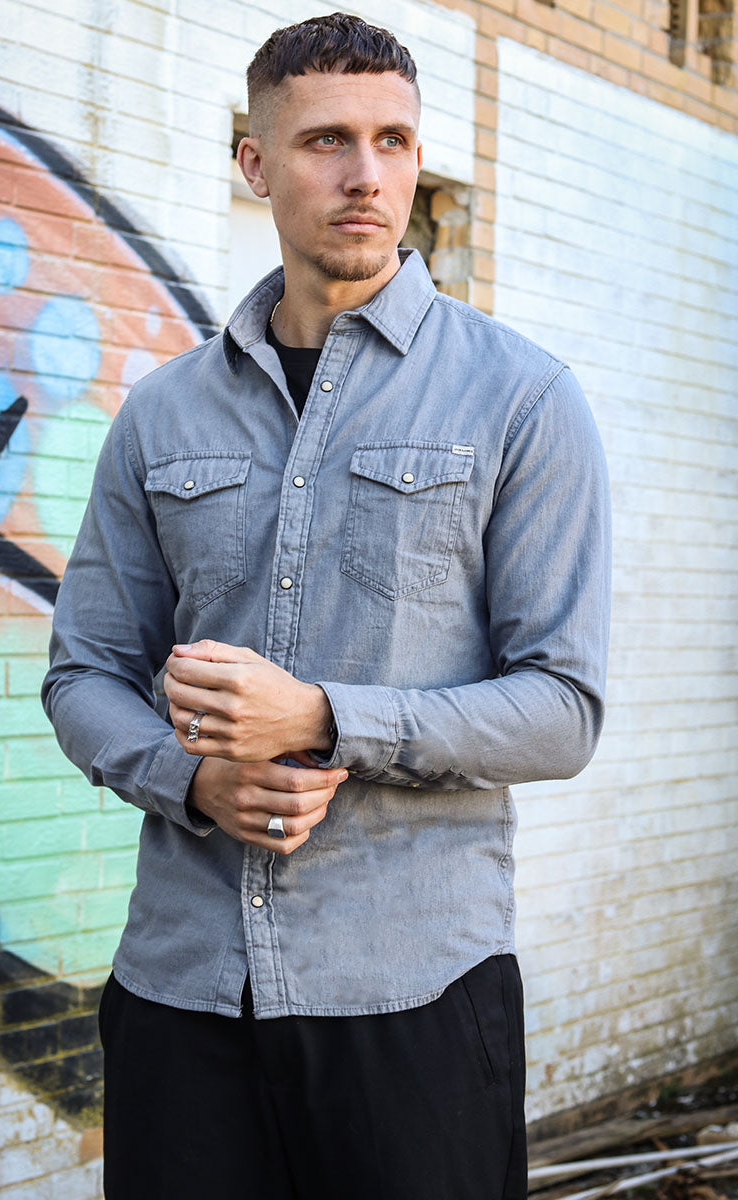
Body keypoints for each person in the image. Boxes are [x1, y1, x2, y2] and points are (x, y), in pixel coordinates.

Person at [42, 12, 611, 1199]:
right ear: (254, 164)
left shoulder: (521, 400)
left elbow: (561, 711)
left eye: (392, 140)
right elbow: (83, 671)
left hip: (412, 995)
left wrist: (320, 716)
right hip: (182, 990)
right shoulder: (162, 414)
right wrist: (191, 779)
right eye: (325, 141)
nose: (365, 175)